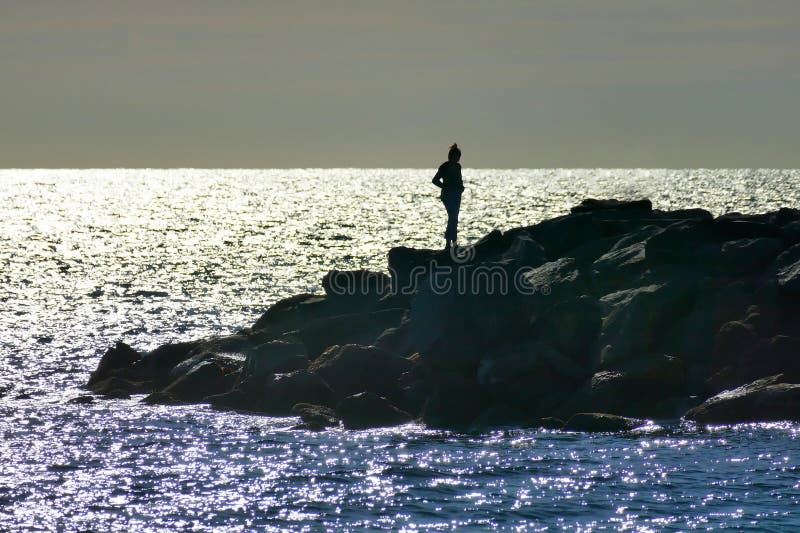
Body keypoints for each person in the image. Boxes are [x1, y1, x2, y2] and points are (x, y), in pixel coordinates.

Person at [431, 143, 465, 250]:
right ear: (451, 156)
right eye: (456, 156)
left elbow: (459, 180)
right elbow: (435, 180)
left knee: (454, 218)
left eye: (459, 157)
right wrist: (445, 187)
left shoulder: (458, 167)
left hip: (456, 195)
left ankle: (453, 242)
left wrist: (461, 187)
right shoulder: (444, 167)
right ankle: (448, 243)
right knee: (452, 217)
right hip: (447, 196)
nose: (458, 159)